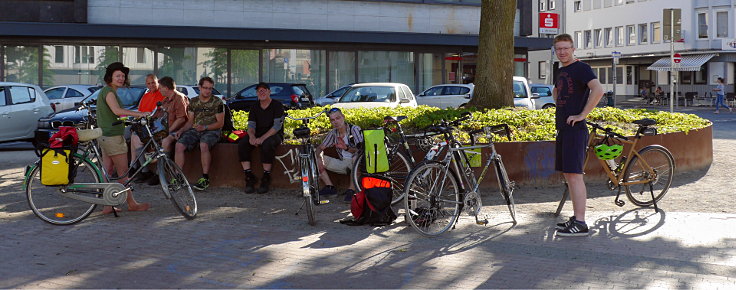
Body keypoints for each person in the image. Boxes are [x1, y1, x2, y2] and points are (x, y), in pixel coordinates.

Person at [552, 34, 604, 237]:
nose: (562, 52)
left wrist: (582, 114)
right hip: (564, 128)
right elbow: (557, 91)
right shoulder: (561, 70)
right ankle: (576, 217)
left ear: (573, 49)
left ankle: (581, 222)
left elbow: (598, 90)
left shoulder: (581, 68)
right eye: (559, 49)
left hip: (576, 129)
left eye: (566, 48)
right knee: (568, 174)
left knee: (574, 175)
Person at [96, 62, 150, 213]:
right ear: (110, 77)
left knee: (108, 170)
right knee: (123, 172)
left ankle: (107, 205)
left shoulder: (107, 91)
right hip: (112, 136)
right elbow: (117, 111)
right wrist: (140, 113)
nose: (121, 78)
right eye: (117, 76)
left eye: (123, 76)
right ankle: (132, 203)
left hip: (105, 135)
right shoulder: (109, 92)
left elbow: (114, 113)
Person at [174, 77, 225, 191]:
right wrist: (181, 130)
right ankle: (178, 177)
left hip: (212, 130)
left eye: (210, 88)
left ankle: (205, 178)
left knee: (203, 144)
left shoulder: (217, 102)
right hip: (196, 130)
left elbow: (220, 123)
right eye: (205, 88)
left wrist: (205, 127)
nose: (208, 91)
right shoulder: (193, 101)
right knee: (179, 145)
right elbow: (190, 121)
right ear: (200, 87)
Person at [238, 82, 285, 194]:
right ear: (257, 93)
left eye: (264, 90)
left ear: (269, 92)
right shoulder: (254, 106)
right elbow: (251, 125)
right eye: (259, 90)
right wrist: (252, 136)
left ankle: (266, 177)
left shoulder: (277, 105)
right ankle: (249, 176)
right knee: (243, 144)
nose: (262, 92)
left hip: (274, 135)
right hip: (257, 134)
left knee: (267, 144)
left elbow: (276, 126)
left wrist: (262, 138)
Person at [315, 108, 363, 202]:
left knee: (355, 158)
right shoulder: (333, 133)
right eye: (332, 120)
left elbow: (361, 150)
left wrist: (346, 148)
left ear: (343, 117)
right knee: (315, 158)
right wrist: (318, 155)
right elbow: (320, 147)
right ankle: (330, 188)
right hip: (342, 163)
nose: (335, 122)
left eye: (338, 118)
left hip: (357, 163)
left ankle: (351, 190)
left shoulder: (354, 129)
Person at [130, 74, 165, 185]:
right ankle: (133, 166)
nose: (151, 85)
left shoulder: (161, 94)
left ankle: (140, 169)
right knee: (127, 134)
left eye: (153, 83)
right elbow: (139, 112)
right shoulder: (145, 96)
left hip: (154, 125)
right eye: (148, 83)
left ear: (157, 82)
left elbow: (157, 113)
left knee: (134, 137)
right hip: (142, 122)